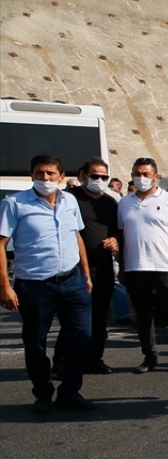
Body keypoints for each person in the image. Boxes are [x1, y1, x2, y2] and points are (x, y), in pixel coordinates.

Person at [0, 155, 95, 413]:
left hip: (72, 281)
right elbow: (1, 244)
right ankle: (42, 393)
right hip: (35, 285)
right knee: (35, 342)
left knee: (82, 336)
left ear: (61, 177)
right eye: (39, 173)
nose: (45, 178)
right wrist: (5, 286)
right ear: (32, 176)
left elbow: (77, 237)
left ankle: (70, 391)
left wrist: (86, 274)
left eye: (50, 173)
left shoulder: (70, 201)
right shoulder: (14, 204)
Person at [118, 157, 168, 376]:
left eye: (146, 174)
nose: (141, 178)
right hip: (135, 267)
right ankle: (150, 357)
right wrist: (122, 267)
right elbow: (122, 236)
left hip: (164, 267)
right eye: (137, 174)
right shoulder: (125, 203)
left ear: (156, 177)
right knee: (143, 316)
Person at [52, 158, 121, 375]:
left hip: (103, 267)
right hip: (76, 268)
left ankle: (94, 359)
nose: (99, 180)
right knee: (75, 317)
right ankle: (61, 362)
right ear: (83, 175)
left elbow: (116, 230)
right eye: (95, 176)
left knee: (100, 317)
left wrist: (115, 240)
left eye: (104, 177)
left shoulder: (110, 202)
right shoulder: (69, 199)